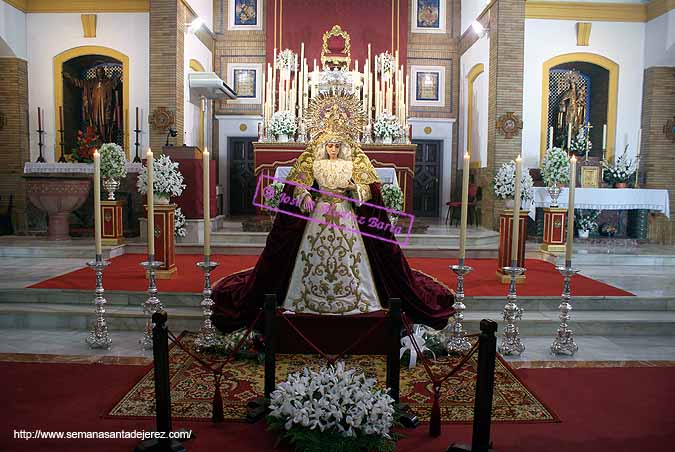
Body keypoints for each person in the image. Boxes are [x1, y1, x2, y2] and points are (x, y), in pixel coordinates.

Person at [211, 127, 455, 332]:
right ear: (323, 147)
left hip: (344, 212)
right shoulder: (315, 164)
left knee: (350, 254)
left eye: (337, 146)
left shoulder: (352, 164)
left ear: (342, 147)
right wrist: (304, 195)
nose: (333, 150)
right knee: (312, 253)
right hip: (319, 212)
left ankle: (358, 297)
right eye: (329, 146)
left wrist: (354, 189)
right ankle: (303, 298)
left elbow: (368, 191)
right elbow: (299, 184)